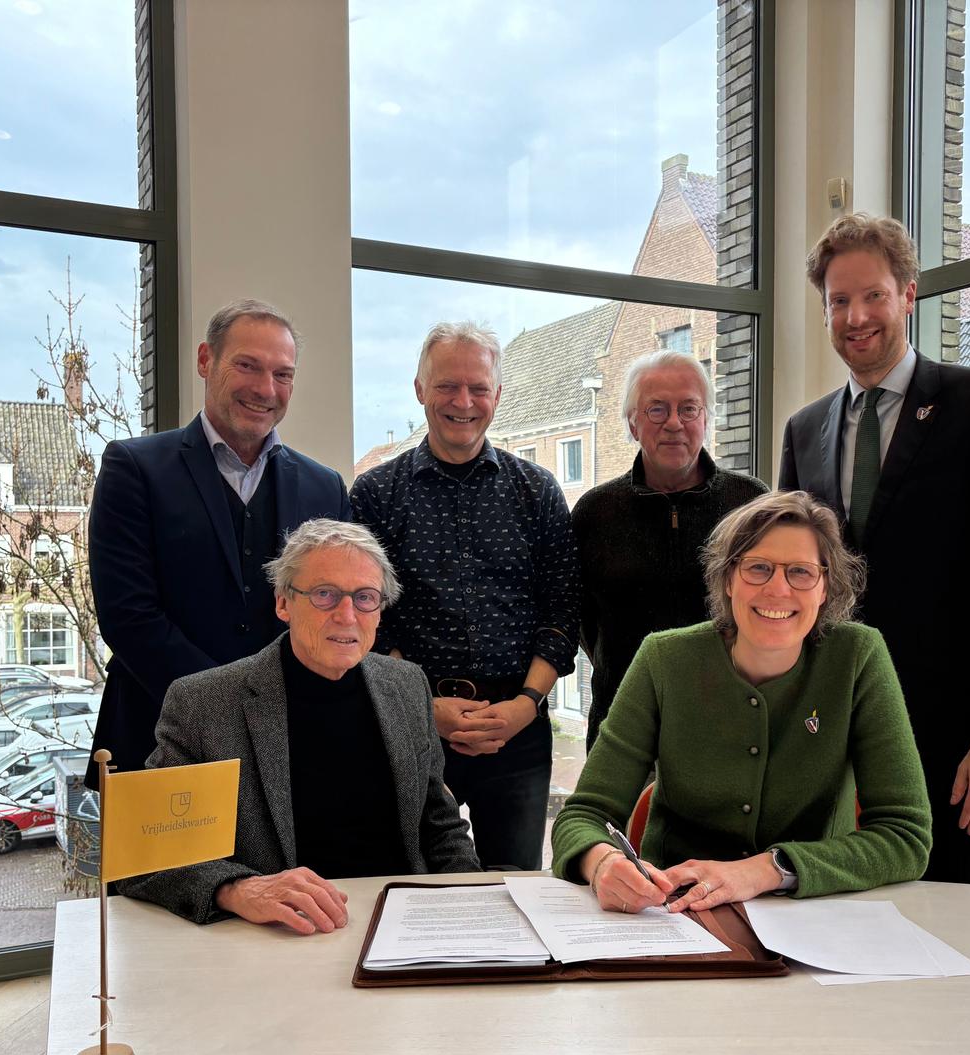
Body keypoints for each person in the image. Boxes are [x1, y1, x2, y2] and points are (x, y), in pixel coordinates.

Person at [778, 213, 970, 886]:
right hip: (826, 726)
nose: (855, 316)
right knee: (831, 908)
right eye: (839, 301)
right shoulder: (804, 431)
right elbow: (788, 589)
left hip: (947, 731)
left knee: (952, 917)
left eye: (872, 296)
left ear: (908, 295)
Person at [550, 491, 931, 912]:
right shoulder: (663, 659)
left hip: (814, 913)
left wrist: (764, 870)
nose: (778, 589)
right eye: (758, 568)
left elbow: (906, 836)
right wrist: (602, 862)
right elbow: (583, 814)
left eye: (801, 572)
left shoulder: (858, 655)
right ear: (728, 579)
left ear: (825, 588)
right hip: (674, 913)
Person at [116, 519, 481, 931]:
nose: (347, 615)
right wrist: (238, 888)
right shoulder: (204, 703)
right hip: (279, 937)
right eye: (325, 595)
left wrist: (471, 904)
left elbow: (441, 823)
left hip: (404, 926)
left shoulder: (407, 685)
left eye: (365, 598)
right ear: (283, 603)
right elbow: (144, 856)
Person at [86, 299, 350, 786]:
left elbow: (334, 613)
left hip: (290, 747)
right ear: (206, 360)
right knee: (167, 868)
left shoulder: (325, 487)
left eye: (283, 374)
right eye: (247, 365)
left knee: (289, 868)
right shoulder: (133, 469)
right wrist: (229, 711)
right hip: (159, 742)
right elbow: (129, 617)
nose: (265, 389)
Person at [351, 321, 579, 872]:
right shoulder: (376, 494)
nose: (463, 401)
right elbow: (368, 619)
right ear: (419, 391)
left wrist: (525, 707)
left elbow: (562, 611)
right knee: (408, 879)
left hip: (518, 728)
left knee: (517, 888)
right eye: (448, 386)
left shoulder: (539, 490)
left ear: (497, 396)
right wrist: (424, 709)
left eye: (478, 388)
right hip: (413, 722)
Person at [571, 350, 766, 747]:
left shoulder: (750, 503)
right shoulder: (594, 511)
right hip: (623, 724)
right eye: (657, 409)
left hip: (729, 723)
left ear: (706, 419)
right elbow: (584, 621)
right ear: (633, 422)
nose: (674, 423)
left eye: (689, 408)